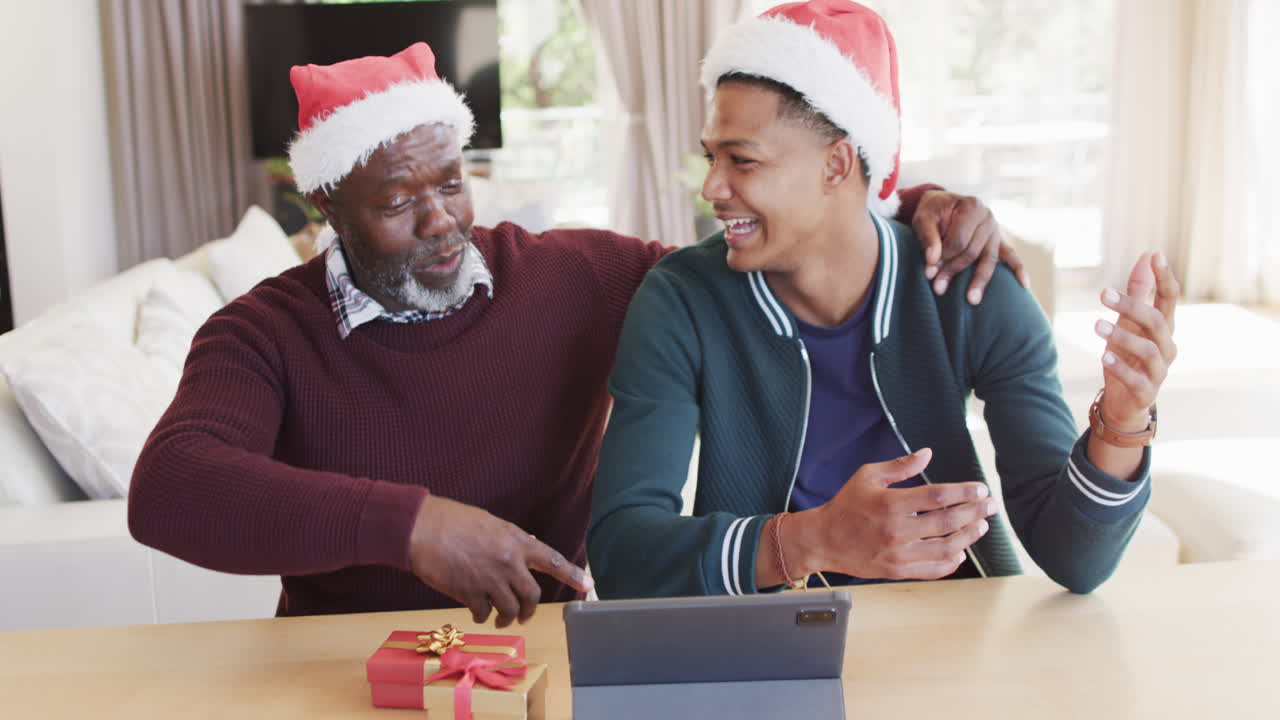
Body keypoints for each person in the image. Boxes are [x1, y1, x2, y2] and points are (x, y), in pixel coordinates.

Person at [128, 41, 1026, 627]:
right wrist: (409, 527)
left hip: (544, 656)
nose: (441, 220)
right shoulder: (261, 334)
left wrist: (901, 203)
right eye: (398, 202)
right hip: (342, 668)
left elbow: (765, 243)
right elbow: (169, 489)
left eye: (452, 181)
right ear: (326, 204)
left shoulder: (581, 278)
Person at [588, 0, 1178, 599]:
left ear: (837, 163)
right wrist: (810, 540)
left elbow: (1076, 562)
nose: (713, 187)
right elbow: (620, 556)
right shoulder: (681, 300)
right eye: (712, 156)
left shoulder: (971, 289)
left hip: (958, 636)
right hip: (763, 647)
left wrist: (1123, 423)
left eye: (742, 160)